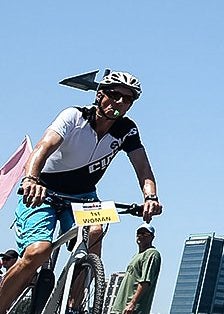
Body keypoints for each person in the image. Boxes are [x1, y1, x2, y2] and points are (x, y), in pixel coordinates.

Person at [0, 71, 163, 314]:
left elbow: (143, 168)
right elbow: (42, 147)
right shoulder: (74, 117)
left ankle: (73, 306)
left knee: (95, 232)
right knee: (38, 252)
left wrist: (150, 197)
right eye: (114, 95)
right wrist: (31, 179)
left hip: (83, 197)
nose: (119, 102)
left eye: (127, 99)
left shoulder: (127, 130)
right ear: (100, 95)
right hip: (43, 191)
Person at [109, 225, 161, 314]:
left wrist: (132, 303)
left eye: (144, 234)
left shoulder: (151, 254)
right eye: (139, 233)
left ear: (152, 237)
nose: (141, 236)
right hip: (120, 308)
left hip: (132, 310)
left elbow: (145, 281)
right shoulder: (136, 256)